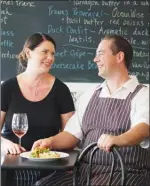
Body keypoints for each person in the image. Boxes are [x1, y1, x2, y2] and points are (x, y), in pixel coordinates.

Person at [32, 34, 150, 186]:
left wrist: (118, 139)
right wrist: (50, 141)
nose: (95, 59)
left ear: (119, 56)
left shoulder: (143, 94)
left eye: (100, 53)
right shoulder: (90, 94)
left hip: (127, 172)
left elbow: (143, 129)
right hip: (85, 171)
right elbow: (72, 134)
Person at [1, 33, 75, 186]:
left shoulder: (61, 90)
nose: (50, 58)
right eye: (45, 52)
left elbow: (71, 136)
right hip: (12, 164)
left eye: (53, 53)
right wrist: (4, 143)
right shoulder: (7, 88)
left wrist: (50, 144)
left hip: (49, 165)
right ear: (28, 53)